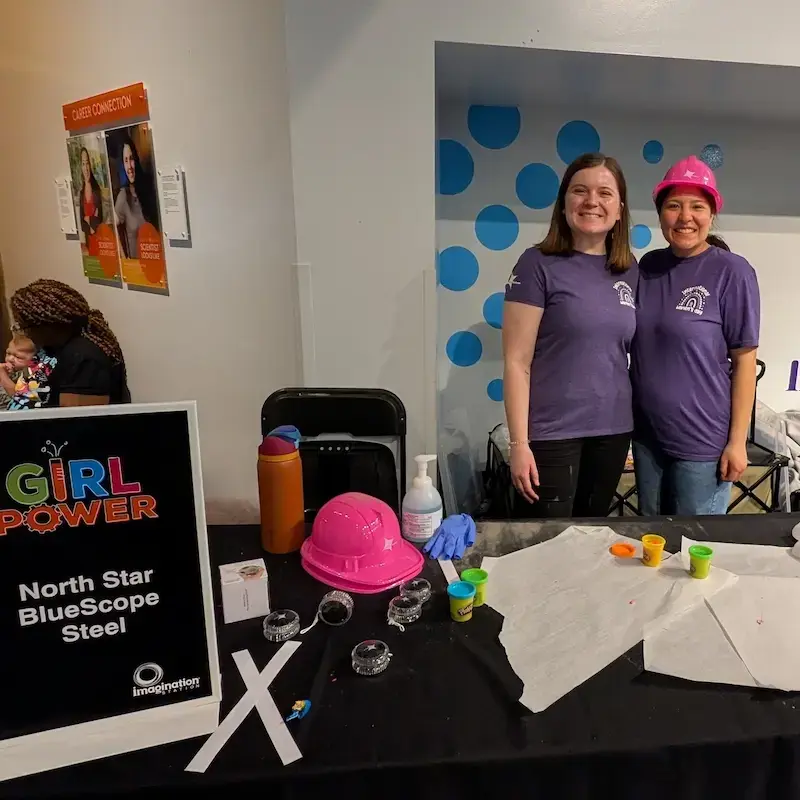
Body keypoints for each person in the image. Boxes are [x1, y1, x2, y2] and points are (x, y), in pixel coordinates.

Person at [503, 153, 637, 517]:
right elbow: (516, 363)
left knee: (592, 542)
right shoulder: (537, 264)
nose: (592, 201)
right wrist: (518, 444)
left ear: (620, 209)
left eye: (605, 193)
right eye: (580, 191)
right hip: (551, 434)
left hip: (612, 431)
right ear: (564, 205)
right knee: (546, 546)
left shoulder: (629, 270)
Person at [631, 155, 760, 515]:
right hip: (647, 438)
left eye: (697, 206)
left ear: (712, 213)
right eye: (673, 205)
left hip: (703, 442)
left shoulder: (732, 272)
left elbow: (744, 361)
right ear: (660, 214)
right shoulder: (648, 267)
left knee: (694, 550)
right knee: (651, 544)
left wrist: (737, 441)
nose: (685, 217)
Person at [9, 279, 131, 408]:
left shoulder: (84, 358)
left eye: (26, 328)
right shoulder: (53, 346)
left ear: (47, 326)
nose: (27, 334)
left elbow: (76, 420)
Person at [114, 137, 156, 259]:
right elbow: (111, 227)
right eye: (125, 161)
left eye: (131, 159)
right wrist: (124, 258)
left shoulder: (148, 189)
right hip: (137, 269)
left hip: (156, 264)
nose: (130, 167)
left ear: (136, 160)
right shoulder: (123, 196)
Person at [0, 333, 37, 409]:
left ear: (32, 360)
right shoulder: (5, 369)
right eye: (8, 353)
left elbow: (20, 397)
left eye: (18, 357)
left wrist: (2, 375)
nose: (10, 359)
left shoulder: (27, 374)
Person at [78, 147, 102, 254]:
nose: (86, 168)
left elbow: (100, 218)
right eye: (83, 164)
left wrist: (89, 219)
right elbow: (82, 222)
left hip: (100, 240)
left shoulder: (97, 190)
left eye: (87, 163)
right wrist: (90, 219)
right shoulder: (81, 193)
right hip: (88, 244)